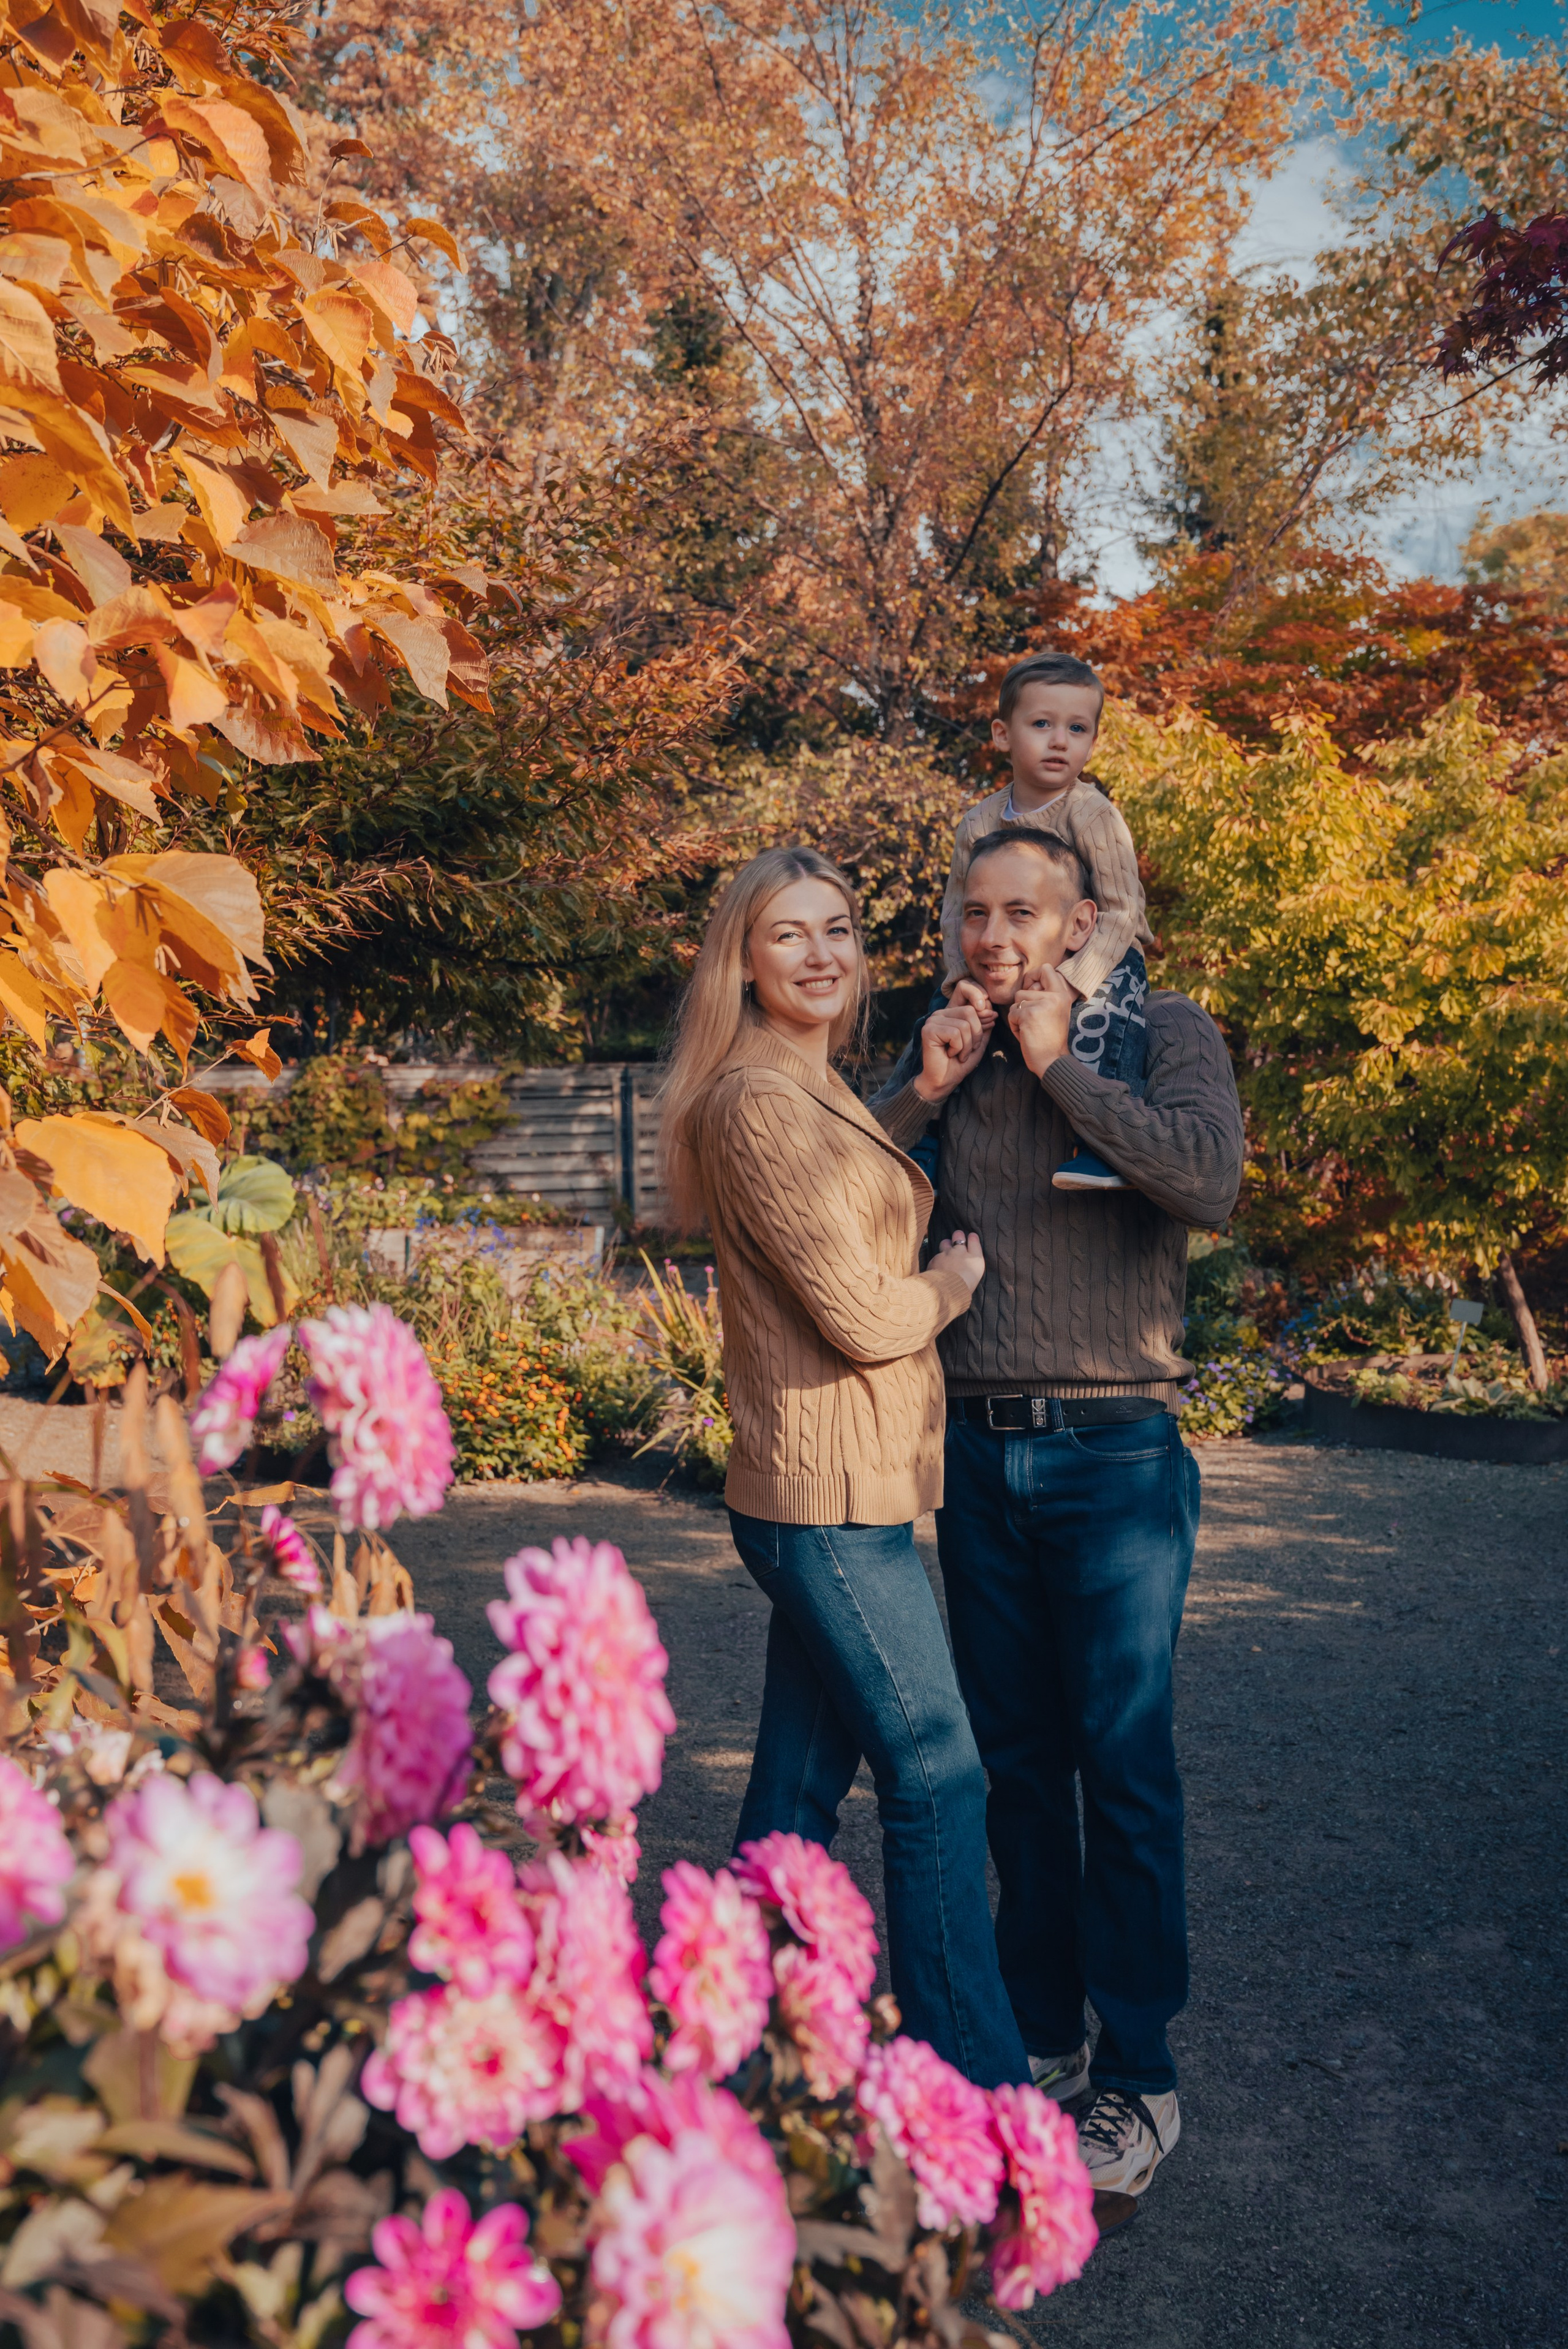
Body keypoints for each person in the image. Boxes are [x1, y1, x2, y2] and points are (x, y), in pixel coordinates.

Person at [872, 828, 1245, 2202]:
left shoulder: (1163, 1031)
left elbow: (1206, 1183)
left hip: (1114, 1454)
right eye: (972, 912)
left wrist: (1057, 1069)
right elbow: (837, 1188)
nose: (992, 936)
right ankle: (1041, 2040)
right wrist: (919, 1091)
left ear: (1080, 920)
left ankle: (1139, 2076)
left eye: (1021, 911)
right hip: (977, 1453)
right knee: (1015, 1770)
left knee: (1122, 1767)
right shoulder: (946, 1044)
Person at [657, 844, 1030, 2089]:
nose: (820, 955)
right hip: (823, 1505)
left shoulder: (803, 1086)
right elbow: (865, 1315)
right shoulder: (756, 1102)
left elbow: (844, 1199)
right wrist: (952, 1281)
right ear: (743, 962)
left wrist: (915, 1097)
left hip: (844, 1489)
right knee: (938, 1777)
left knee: (796, 1796)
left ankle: (720, 2058)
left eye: (837, 930)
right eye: (788, 935)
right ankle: (970, 2091)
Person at [933, 650, 1155, 1192]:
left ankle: (1101, 1147)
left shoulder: (1093, 815)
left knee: (1108, 1022)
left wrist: (1073, 983)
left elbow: (1122, 911)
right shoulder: (978, 823)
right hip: (1007, 958)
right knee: (944, 1020)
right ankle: (923, 1143)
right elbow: (956, 910)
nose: (1060, 741)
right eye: (1041, 724)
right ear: (1002, 735)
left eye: (1077, 728)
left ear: (1092, 742)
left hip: (1101, 954)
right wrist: (960, 979)